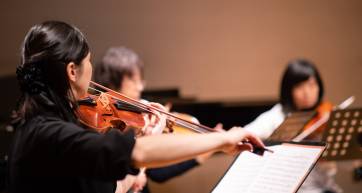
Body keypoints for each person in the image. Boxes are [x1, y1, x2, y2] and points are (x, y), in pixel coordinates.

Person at [7, 21, 264, 193]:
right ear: (72, 71)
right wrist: (224, 139)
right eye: (89, 61)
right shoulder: (50, 133)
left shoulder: (42, 125)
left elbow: (106, 187)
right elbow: (137, 153)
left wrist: (140, 147)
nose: (91, 69)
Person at [94, 46, 220, 193]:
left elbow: (156, 172)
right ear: (112, 83)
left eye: (141, 80)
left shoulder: (140, 115)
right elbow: (157, 173)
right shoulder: (101, 124)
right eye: (134, 80)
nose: (140, 87)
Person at [244, 59, 342, 193]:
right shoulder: (277, 116)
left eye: (312, 85)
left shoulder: (326, 114)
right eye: (299, 87)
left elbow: (344, 163)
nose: (307, 92)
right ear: (288, 90)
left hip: (326, 187)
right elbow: (245, 135)